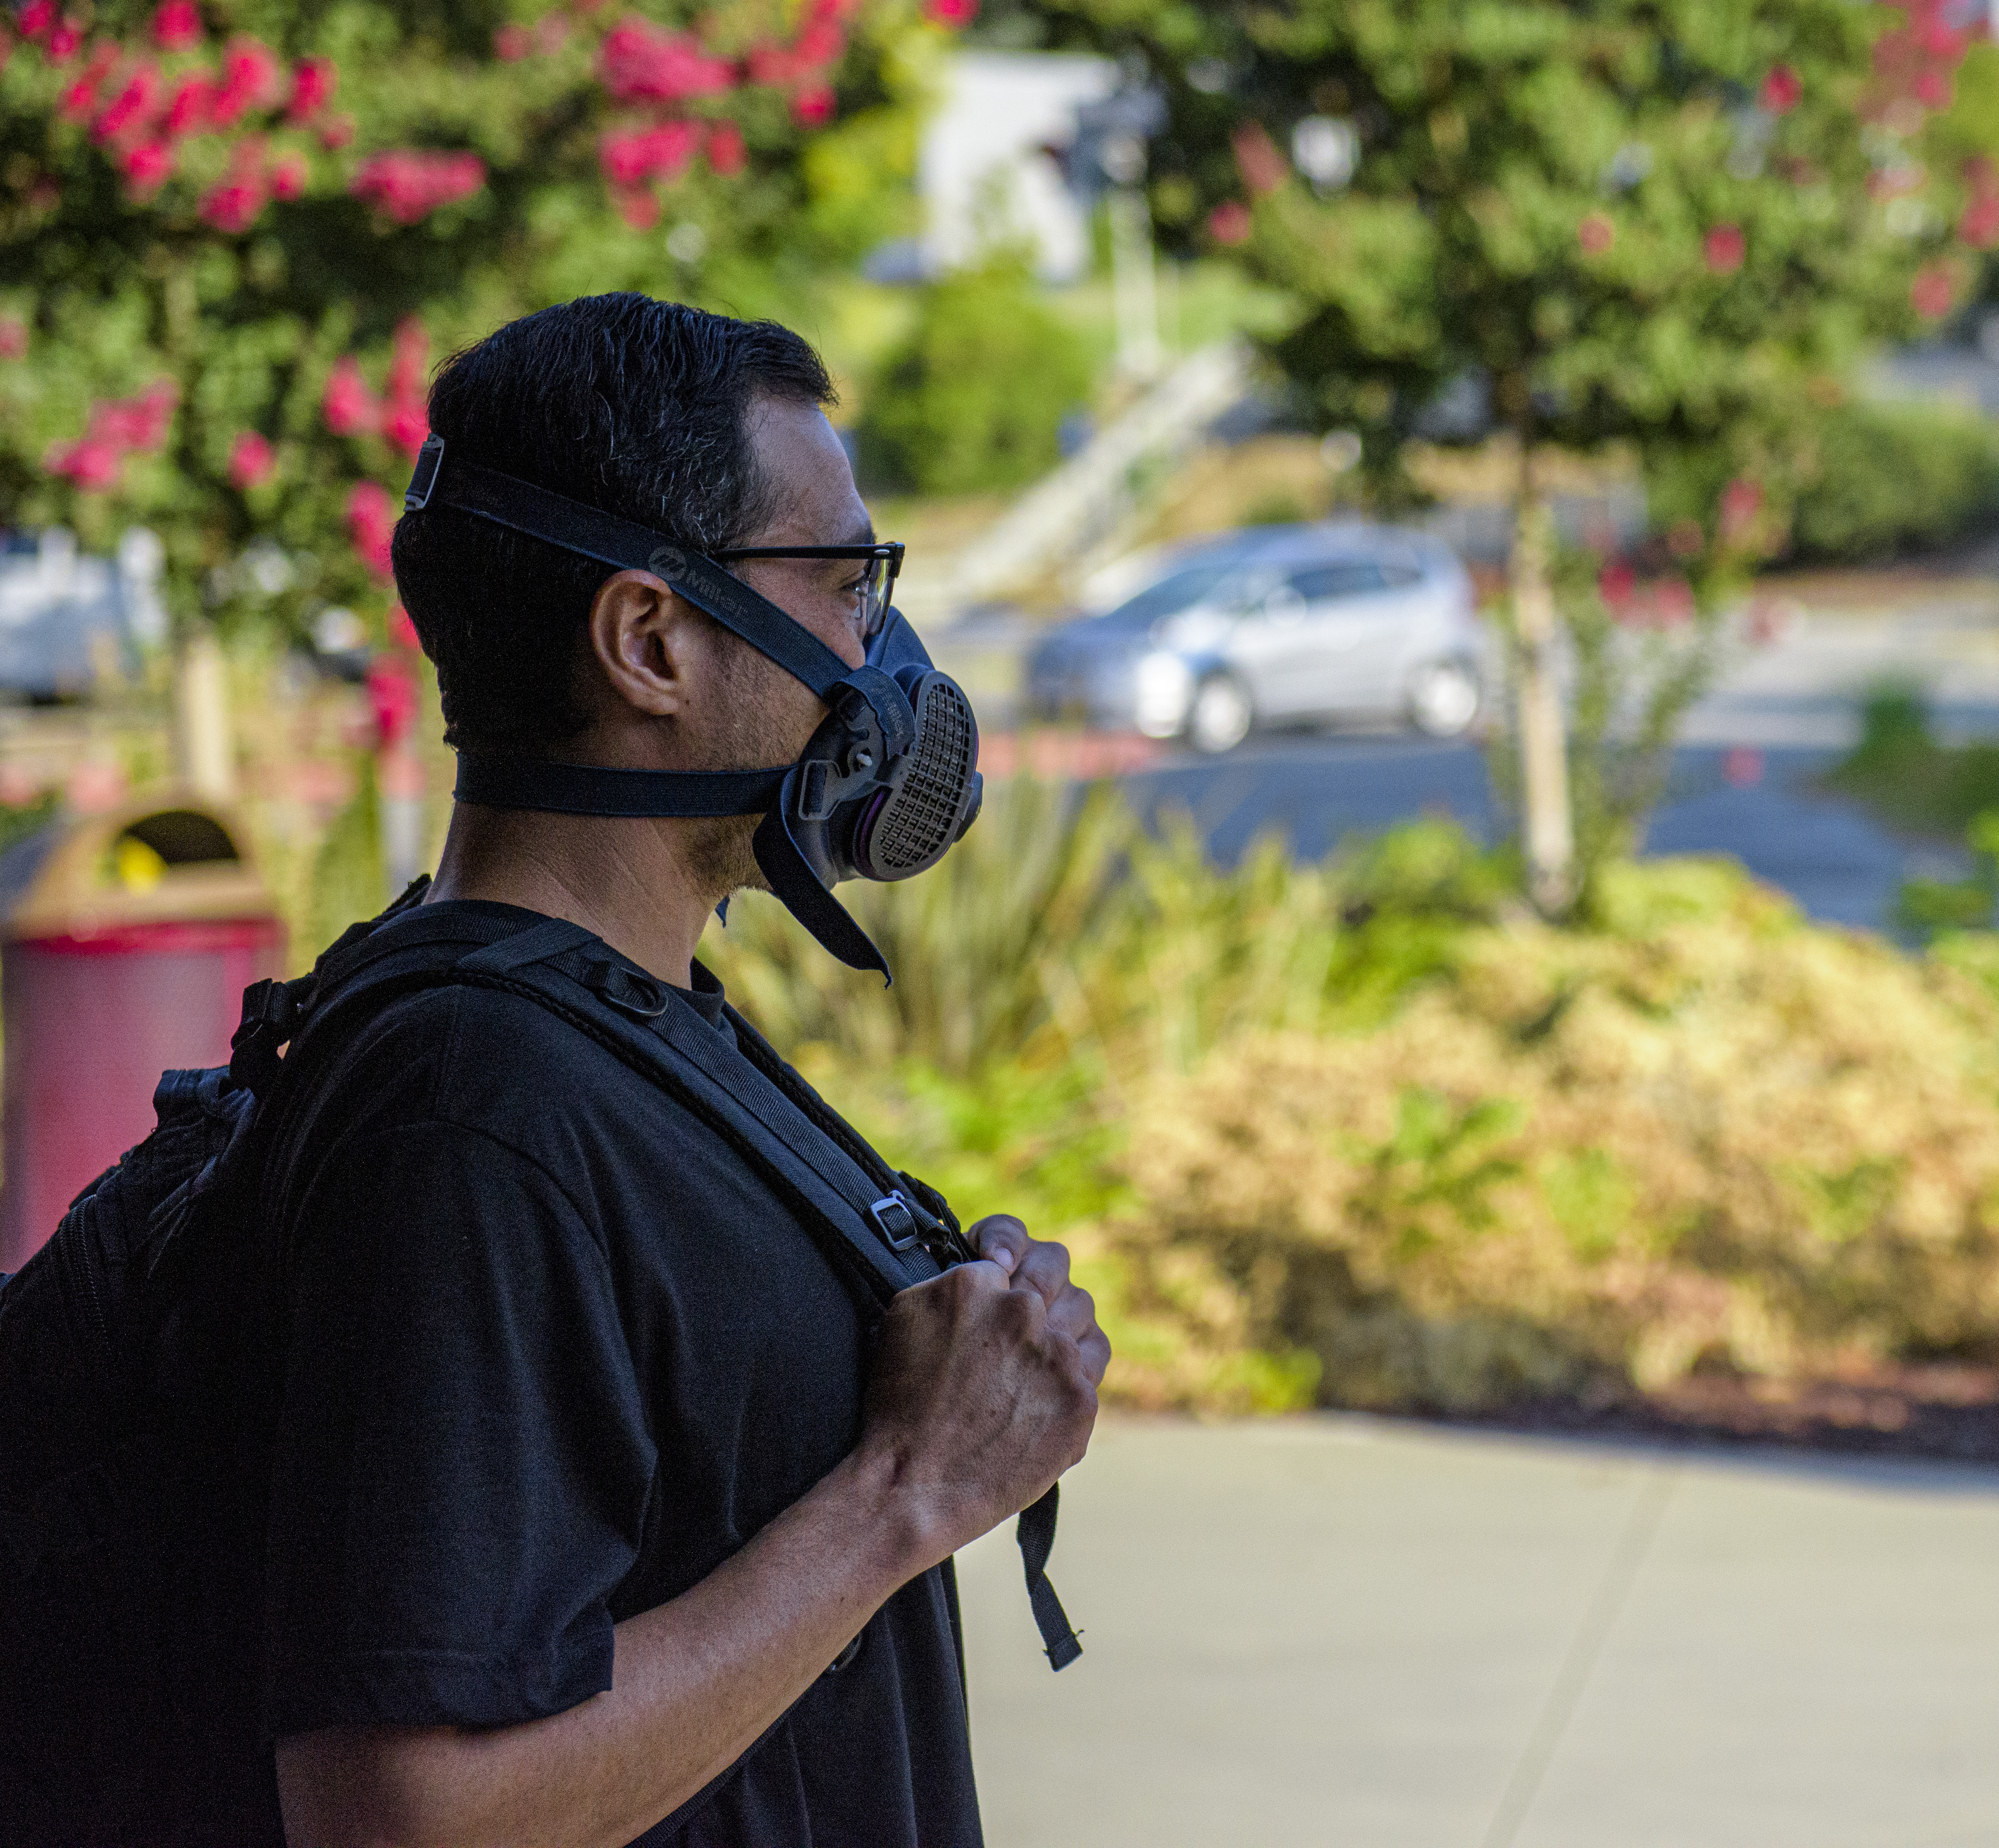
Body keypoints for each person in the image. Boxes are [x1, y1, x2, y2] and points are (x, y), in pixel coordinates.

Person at [262, 294, 1110, 1847]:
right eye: (847, 581)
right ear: (650, 640)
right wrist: (906, 1493)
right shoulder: (475, 1115)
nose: (878, 649)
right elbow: (403, 1815)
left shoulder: (611, 1026)